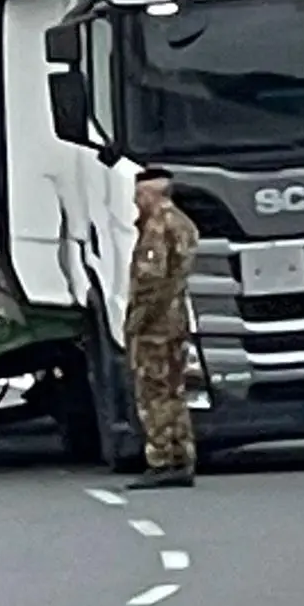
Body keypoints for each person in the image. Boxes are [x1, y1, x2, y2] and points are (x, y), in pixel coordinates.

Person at [124, 167, 200, 489]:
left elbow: (150, 280)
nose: (135, 201)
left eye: (139, 195)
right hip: (176, 319)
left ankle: (162, 458)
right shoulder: (185, 224)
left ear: (151, 194)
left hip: (156, 325)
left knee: (153, 393)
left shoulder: (157, 227)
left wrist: (135, 322)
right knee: (174, 389)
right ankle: (182, 455)